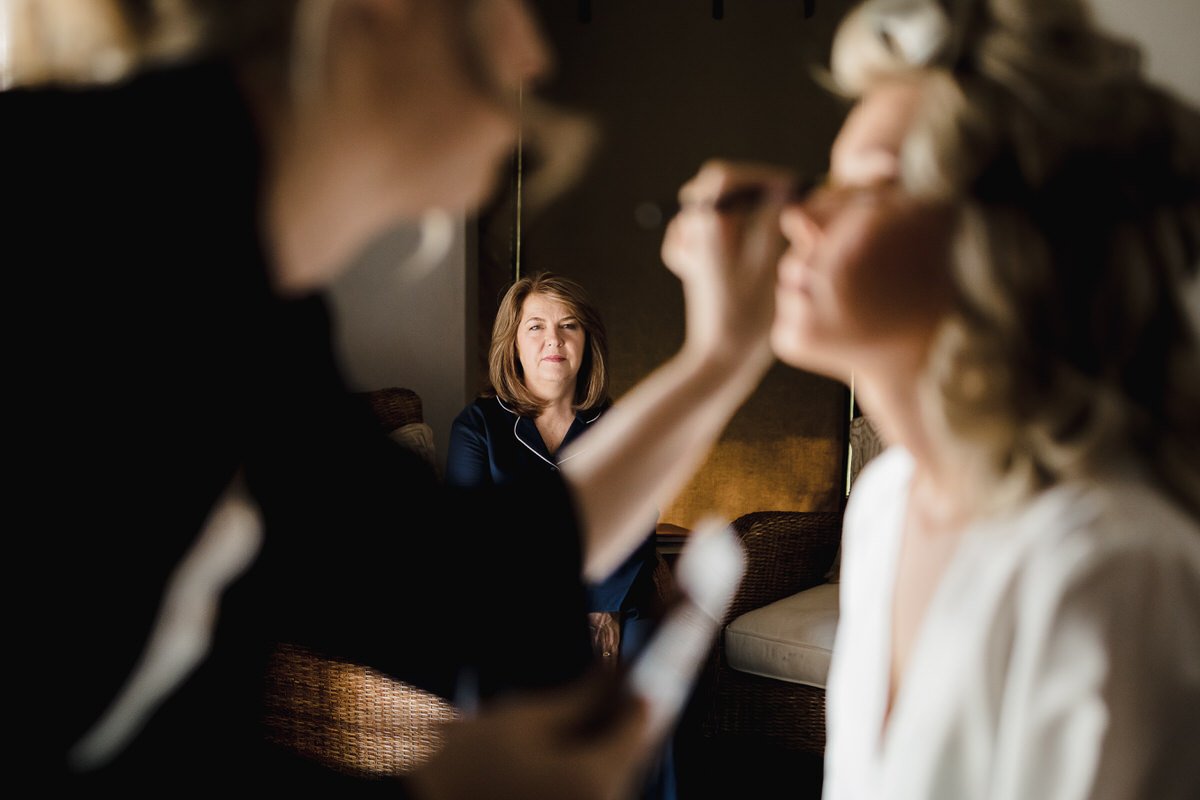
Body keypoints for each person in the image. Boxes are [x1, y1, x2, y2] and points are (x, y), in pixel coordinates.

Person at [7, 1, 784, 795]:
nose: (533, 58)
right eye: (503, 6)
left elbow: (460, 574)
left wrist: (722, 357)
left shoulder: (260, 309)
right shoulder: (54, 212)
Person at [661, 0, 1200, 797]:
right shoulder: (888, 500)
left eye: (869, 184)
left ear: (1008, 248)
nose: (803, 214)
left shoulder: (1109, 572)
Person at [445, 271, 675, 800]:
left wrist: (603, 608)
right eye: (537, 327)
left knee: (648, 677)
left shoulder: (616, 425)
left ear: (586, 342)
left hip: (613, 603)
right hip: (509, 605)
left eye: (569, 326)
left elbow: (637, 524)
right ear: (514, 344)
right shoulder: (477, 426)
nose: (554, 339)